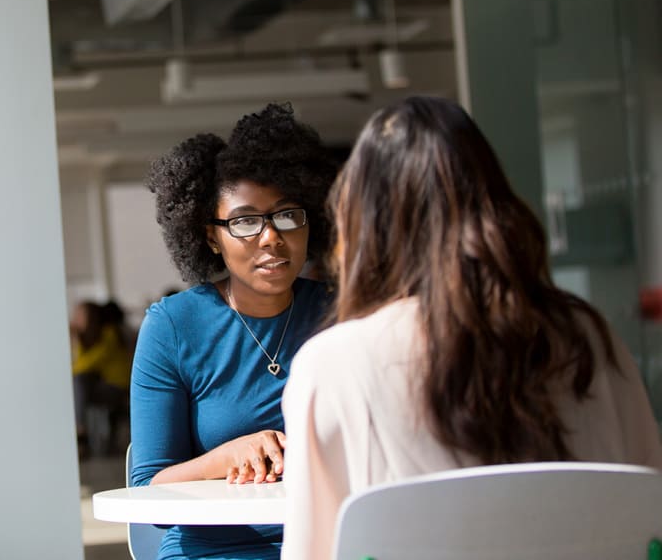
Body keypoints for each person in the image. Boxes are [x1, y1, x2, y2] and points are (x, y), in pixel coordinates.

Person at [280, 96, 662, 560]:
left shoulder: (333, 366)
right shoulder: (588, 337)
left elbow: (311, 552)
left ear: (365, 224)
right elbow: (649, 518)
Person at [130, 102, 338, 560]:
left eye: (287, 215)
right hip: (212, 552)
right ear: (210, 237)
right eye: (245, 221)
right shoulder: (173, 327)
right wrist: (228, 457)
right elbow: (147, 492)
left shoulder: (340, 314)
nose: (270, 237)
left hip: (330, 544)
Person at [71, 299, 132, 458]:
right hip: (104, 386)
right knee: (79, 383)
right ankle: (80, 432)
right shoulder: (90, 339)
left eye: (79, 315)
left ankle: (80, 431)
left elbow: (86, 365)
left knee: (78, 382)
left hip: (118, 388)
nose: (75, 319)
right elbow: (82, 364)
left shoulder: (109, 334)